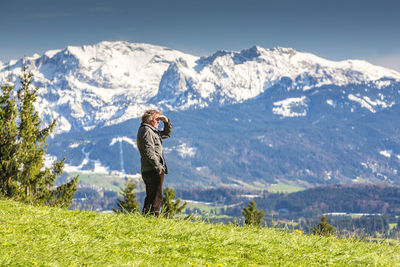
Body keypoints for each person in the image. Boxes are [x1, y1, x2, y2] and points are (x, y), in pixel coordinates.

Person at [137, 109, 172, 216]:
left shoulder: (151, 131)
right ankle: (152, 219)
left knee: (152, 196)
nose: (159, 121)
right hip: (153, 169)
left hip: (150, 168)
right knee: (156, 197)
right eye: (157, 119)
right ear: (150, 120)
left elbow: (167, 134)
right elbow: (149, 151)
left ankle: (147, 219)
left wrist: (166, 122)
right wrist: (158, 167)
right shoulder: (147, 131)